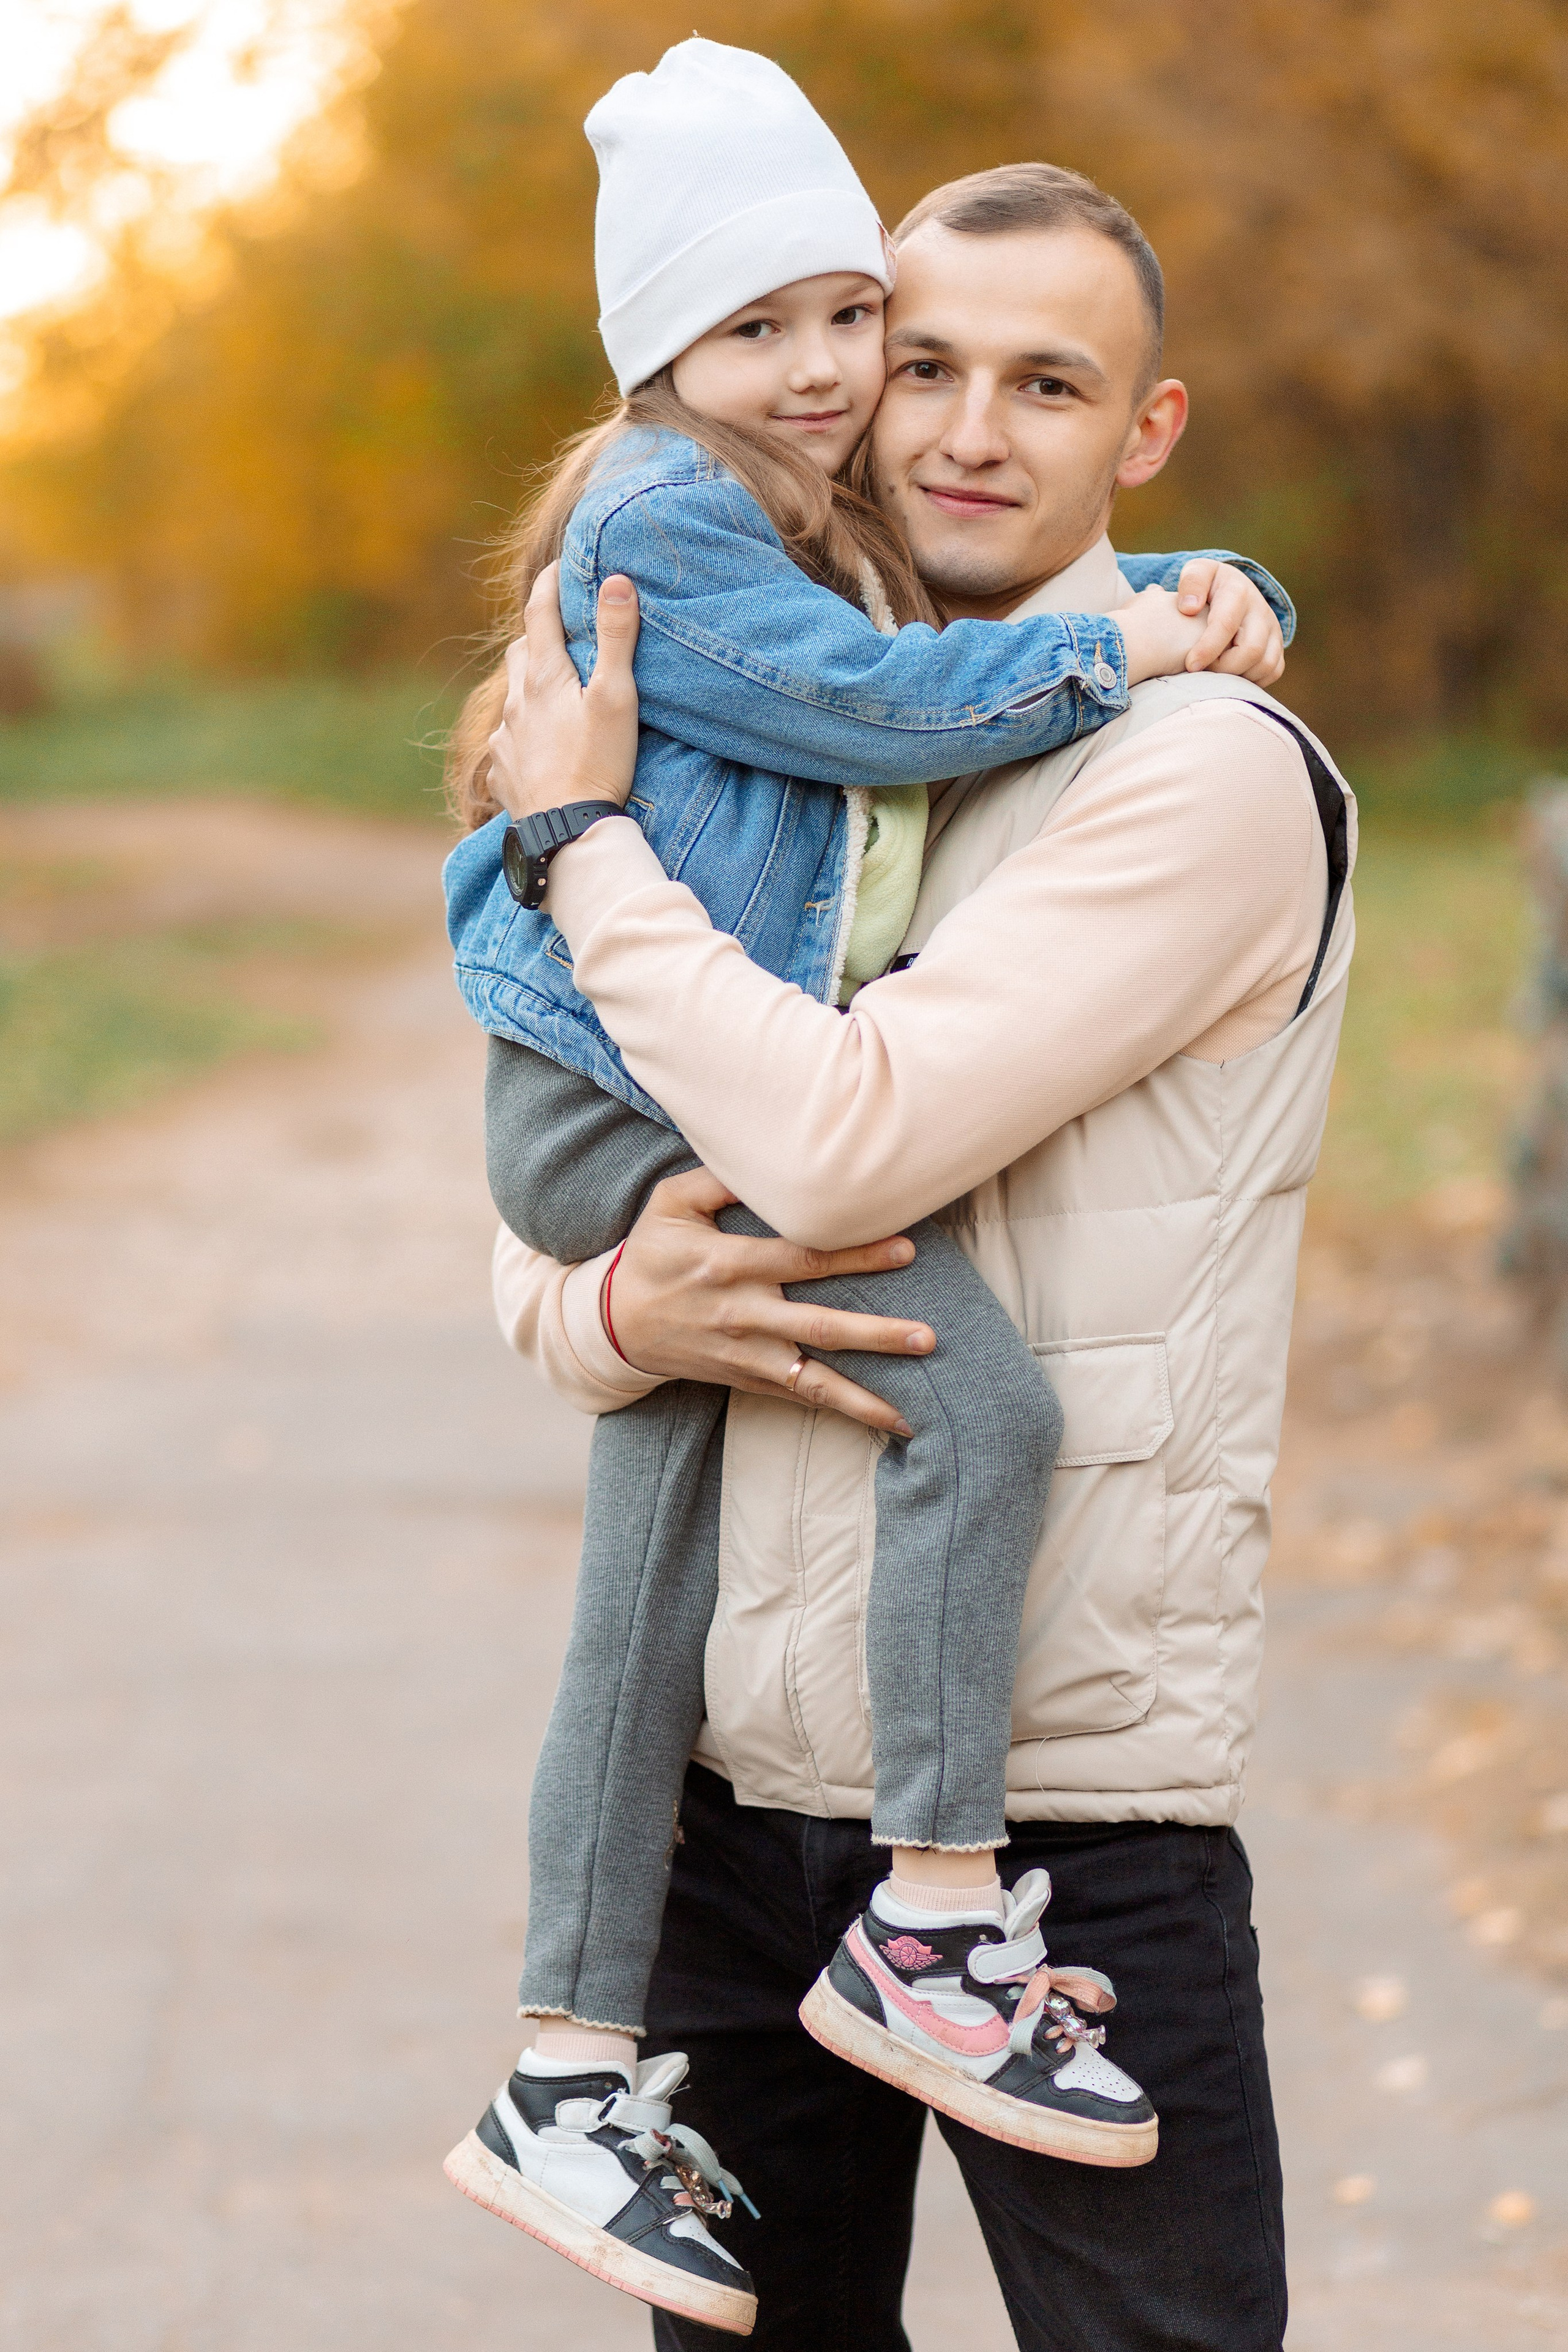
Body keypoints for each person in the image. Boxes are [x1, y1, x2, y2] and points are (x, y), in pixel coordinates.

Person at [440, 44, 1295, 2335]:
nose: (943, 424)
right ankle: (565, 2057)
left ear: (1147, 430)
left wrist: (582, 839)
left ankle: (872, 1947)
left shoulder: (1191, 760)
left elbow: (817, 1143)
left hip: (1059, 1823)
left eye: (1045, 382)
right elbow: (556, 1237)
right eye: (911, 358)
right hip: (747, 1788)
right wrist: (627, 1316)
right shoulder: (828, 673)